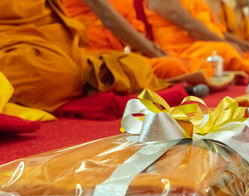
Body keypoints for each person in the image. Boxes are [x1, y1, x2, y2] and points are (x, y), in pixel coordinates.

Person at [0, 0, 167, 112]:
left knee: (134, 65)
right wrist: (153, 51)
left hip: (66, 49)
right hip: (15, 50)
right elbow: (109, 18)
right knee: (55, 75)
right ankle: (86, 85)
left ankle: (87, 84)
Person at [63, 0, 217, 81]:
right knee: (173, 65)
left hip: (128, 49)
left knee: (200, 64)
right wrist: (152, 51)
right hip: (94, 55)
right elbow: (109, 19)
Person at [143, 0, 249, 76]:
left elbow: (217, 28)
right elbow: (188, 24)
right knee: (226, 50)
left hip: (199, 44)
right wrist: (226, 43)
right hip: (180, 50)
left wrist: (239, 42)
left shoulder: (198, 2)